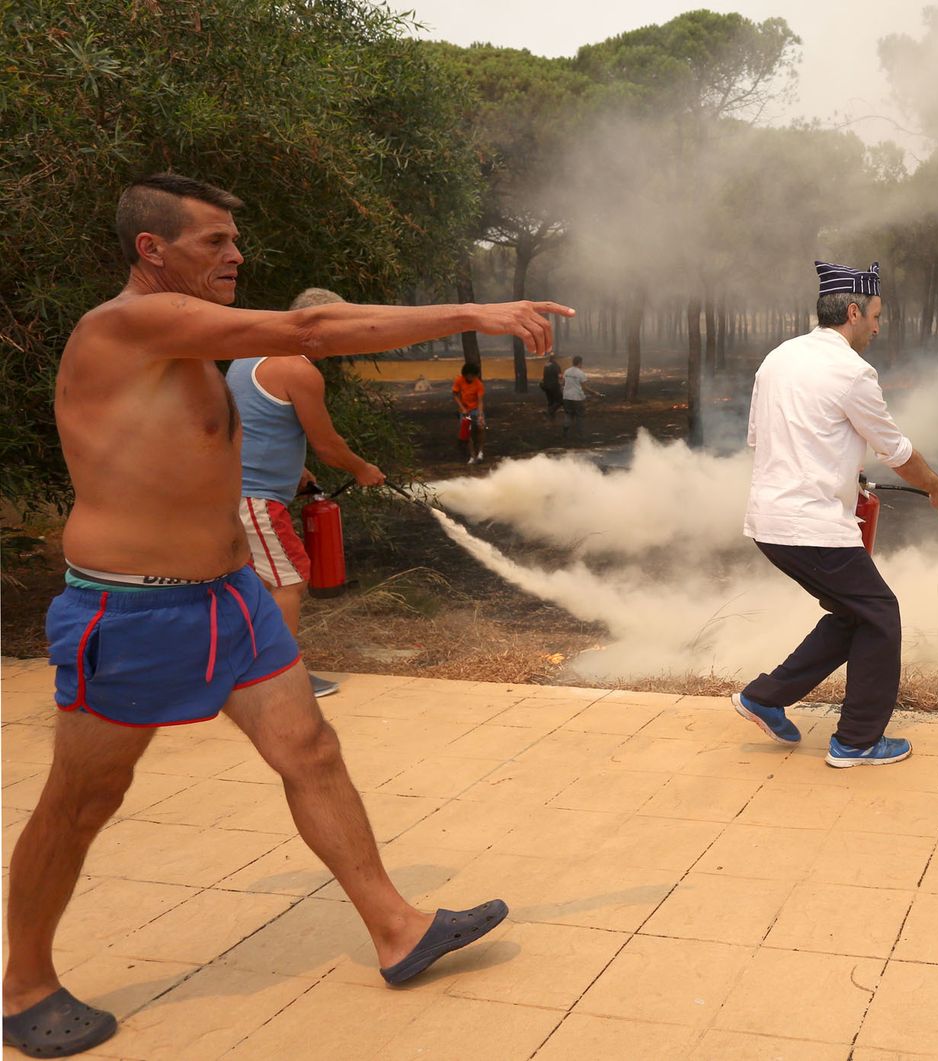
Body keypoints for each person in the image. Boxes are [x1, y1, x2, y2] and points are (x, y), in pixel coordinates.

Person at [1, 172, 573, 1058]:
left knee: (311, 749)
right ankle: (26, 983)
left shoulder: (192, 343)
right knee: (83, 798)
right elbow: (310, 328)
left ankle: (396, 927)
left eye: (236, 240)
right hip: (134, 611)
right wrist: (477, 311)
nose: (237, 255)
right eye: (215, 242)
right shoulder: (124, 324)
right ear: (152, 250)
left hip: (233, 599)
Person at [734, 260, 938, 767]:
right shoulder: (854, 372)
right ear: (854, 312)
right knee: (881, 615)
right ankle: (857, 740)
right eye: (876, 316)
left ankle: (765, 698)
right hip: (810, 526)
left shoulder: (777, 359)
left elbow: (763, 439)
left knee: (853, 613)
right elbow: (896, 451)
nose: (879, 327)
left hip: (768, 523)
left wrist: (840, 472)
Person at [227, 287, 383, 699]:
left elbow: (255, 425)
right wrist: (362, 469)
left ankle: (248, 669)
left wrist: (296, 469)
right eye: (339, 329)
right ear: (315, 326)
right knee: (290, 581)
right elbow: (329, 444)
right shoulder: (299, 371)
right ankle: (281, 680)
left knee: (259, 585)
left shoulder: (247, 358)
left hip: (232, 492)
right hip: (256, 500)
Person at [451, 361, 487, 463]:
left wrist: (480, 415)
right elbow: (455, 395)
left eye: (473, 375)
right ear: (465, 374)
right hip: (465, 410)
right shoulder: (459, 380)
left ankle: (480, 452)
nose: (471, 377)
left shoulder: (479, 384)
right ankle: (472, 456)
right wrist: (462, 408)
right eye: (469, 375)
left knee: (481, 428)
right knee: (467, 432)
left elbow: (480, 401)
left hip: (475, 409)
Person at [560, 354, 602, 437]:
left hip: (566, 397)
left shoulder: (566, 371)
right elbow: (585, 387)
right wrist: (595, 393)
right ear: (580, 363)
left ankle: (565, 430)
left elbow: (563, 383)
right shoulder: (581, 373)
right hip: (577, 398)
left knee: (568, 414)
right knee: (580, 415)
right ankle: (580, 433)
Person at [539, 352, 563, 420]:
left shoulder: (546, 365)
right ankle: (549, 412)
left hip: (545, 386)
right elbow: (559, 376)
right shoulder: (555, 365)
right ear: (555, 358)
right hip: (553, 386)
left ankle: (551, 418)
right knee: (560, 401)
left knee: (550, 402)